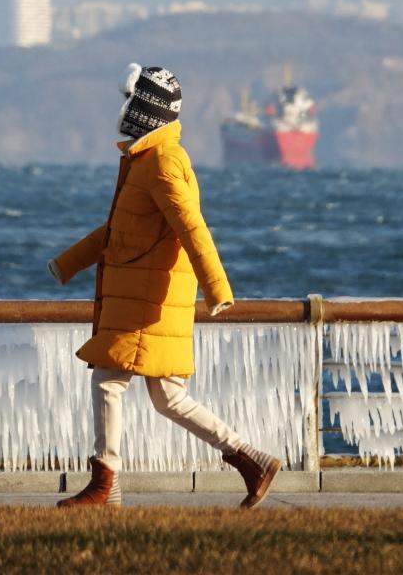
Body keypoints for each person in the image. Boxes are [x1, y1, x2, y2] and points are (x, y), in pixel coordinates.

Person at [49, 64, 280, 509]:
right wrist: (68, 263)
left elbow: (192, 226)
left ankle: (105, 484)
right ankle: (251, 460)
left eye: (131, 100)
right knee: (169, 397)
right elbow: (119, 229)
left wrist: (218, 288)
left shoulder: (162, 162)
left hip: (146, 298)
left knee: (108, 380)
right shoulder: (146, 160)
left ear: (146, 109)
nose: (123, 109)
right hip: (146, 293)